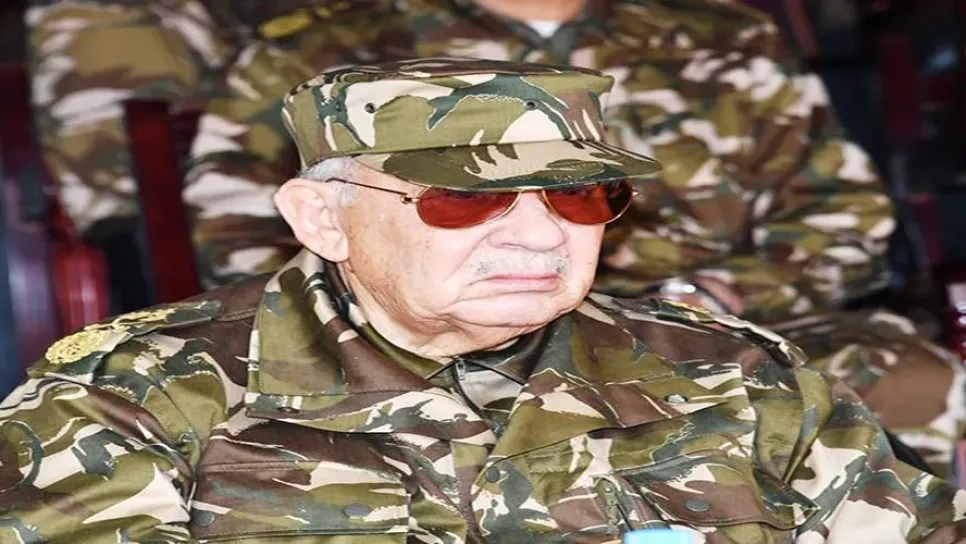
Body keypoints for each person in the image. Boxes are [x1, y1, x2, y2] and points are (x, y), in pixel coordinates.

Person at [2, 58, 965, 544]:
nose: (542, 237)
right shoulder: (130, 400)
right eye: (463, 199)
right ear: (323, 218)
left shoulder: (739, 379)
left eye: (581, 197)